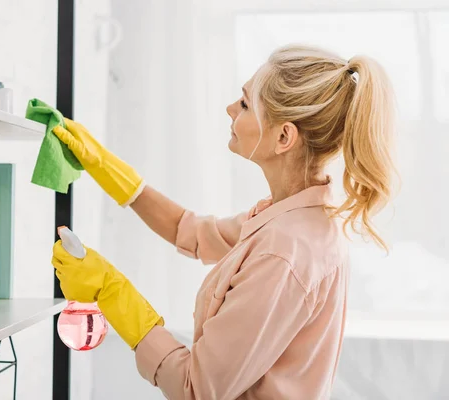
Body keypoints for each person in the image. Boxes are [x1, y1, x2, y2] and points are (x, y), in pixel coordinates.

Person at [51, 44, 397, 399]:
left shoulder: (285, 253)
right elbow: (192, 232)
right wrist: (109, 170)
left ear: (283, 137)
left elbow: (196, 390)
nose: (231, 109)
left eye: (245, 104)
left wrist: (112, 292)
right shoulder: (287, 217)